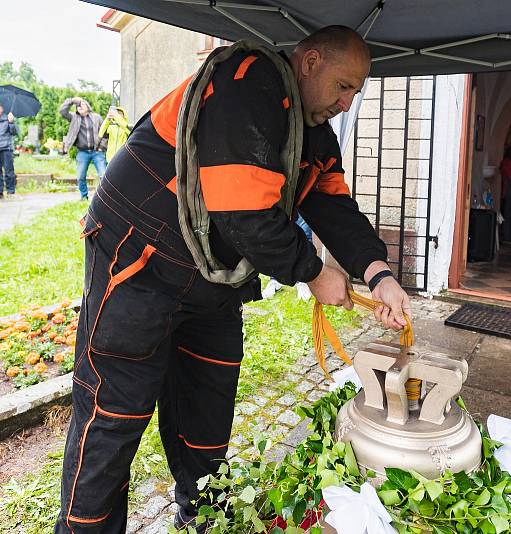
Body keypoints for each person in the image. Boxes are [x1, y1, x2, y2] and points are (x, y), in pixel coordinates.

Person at [55, 26, 411, 534]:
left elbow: (332, 205)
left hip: (212, 285)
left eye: (356, 91)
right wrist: (312, 272)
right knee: (113, 419)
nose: (348, 101)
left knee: (207, 410)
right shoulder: (248, 81)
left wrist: (379, 275)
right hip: (138, 260)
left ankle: (205, 520)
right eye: (344, 85)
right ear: (309, 62)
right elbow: (244, 213)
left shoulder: (313, 131)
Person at [60, 97, 108, 200]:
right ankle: (84, 196)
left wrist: (102, 147)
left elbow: (105, 133)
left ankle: (103, 197)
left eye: (82, 104)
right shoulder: (74, 118)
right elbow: (62, 111)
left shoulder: (97, 117)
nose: (79, 107)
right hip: (82, 152)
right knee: (81, 176)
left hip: (97, 151)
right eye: (78, 106)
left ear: (87, 106)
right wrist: (72, 100)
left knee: (103, 175)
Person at [0, 105, 16, 198]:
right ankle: (0, 191)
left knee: (9, 171)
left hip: (6, 148)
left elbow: (14, 132)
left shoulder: (8, 118)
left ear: (2, 108)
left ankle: (10, 191)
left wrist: (11, 122)